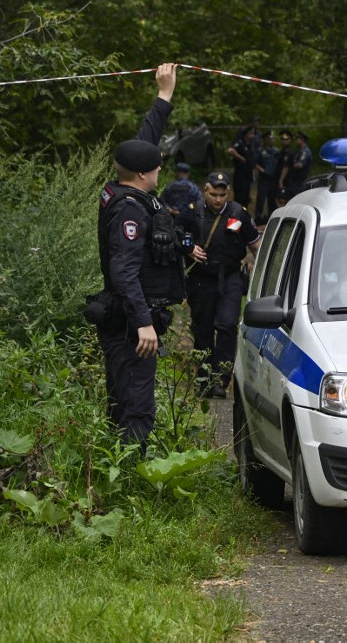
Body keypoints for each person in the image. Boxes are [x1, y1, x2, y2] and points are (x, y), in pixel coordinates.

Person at [93, 63, 206, 448]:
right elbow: (123, 271)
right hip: (130, 326)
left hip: (131, 319)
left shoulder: (127, 186)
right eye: (156, 164)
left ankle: (117, 470)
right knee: (135, 405)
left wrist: (164, 96)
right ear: (142, 174)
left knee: (126, 398)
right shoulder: (130, 210)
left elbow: (144, 143)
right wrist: (143, 323)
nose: (161, 166)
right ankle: (129, 484)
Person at [187, 171, 262, 397]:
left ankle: (221, 379)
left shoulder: (238, 213)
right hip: (201, 278)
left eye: (222, 195)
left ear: (228, 192)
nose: (218, 200)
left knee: (228, 325)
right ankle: (203, 380)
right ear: (205, 191)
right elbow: (176, 236)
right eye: (213, 194)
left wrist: (262, 274)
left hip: (229, 276)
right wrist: (188, 249)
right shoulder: (193, 213)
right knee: (203, 330)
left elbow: (255, 245)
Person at [160, 161, 202, 240]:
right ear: (188, 173)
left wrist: (171, 210)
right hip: (190, 220)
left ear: (176, 173)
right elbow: (200, 203)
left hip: (172, 220)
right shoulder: (194, 188)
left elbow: (162, 202)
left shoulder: (169, 187)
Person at [254, 130, 280, 225]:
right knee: (261, 198)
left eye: (272, 138)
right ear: (265, 140)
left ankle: (272, 217)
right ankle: (258, 218)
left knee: (272, 199)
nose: (271, 140)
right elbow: (255, 163)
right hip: (264, 178)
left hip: (273, 179)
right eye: (269, 139)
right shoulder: (260, 150)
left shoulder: (276, 151)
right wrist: (262, 170)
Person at [227, 126, 257, 207]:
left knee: (246, 198)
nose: (253, 136)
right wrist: (241, 158)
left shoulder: (250, 145)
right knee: (240, 197)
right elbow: (230, 150)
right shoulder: (240, 143)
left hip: (248, 174)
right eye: (251, 133)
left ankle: (244, 216)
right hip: (240, 175)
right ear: (246, 135)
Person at [279, 130, 312, 197]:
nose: (295, 140)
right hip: (295, 182)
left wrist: (289, 166)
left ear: (302, 140)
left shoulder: (305, 152)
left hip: (300, 182)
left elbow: (300, 165)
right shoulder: (299, 151)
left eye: (297, 138)